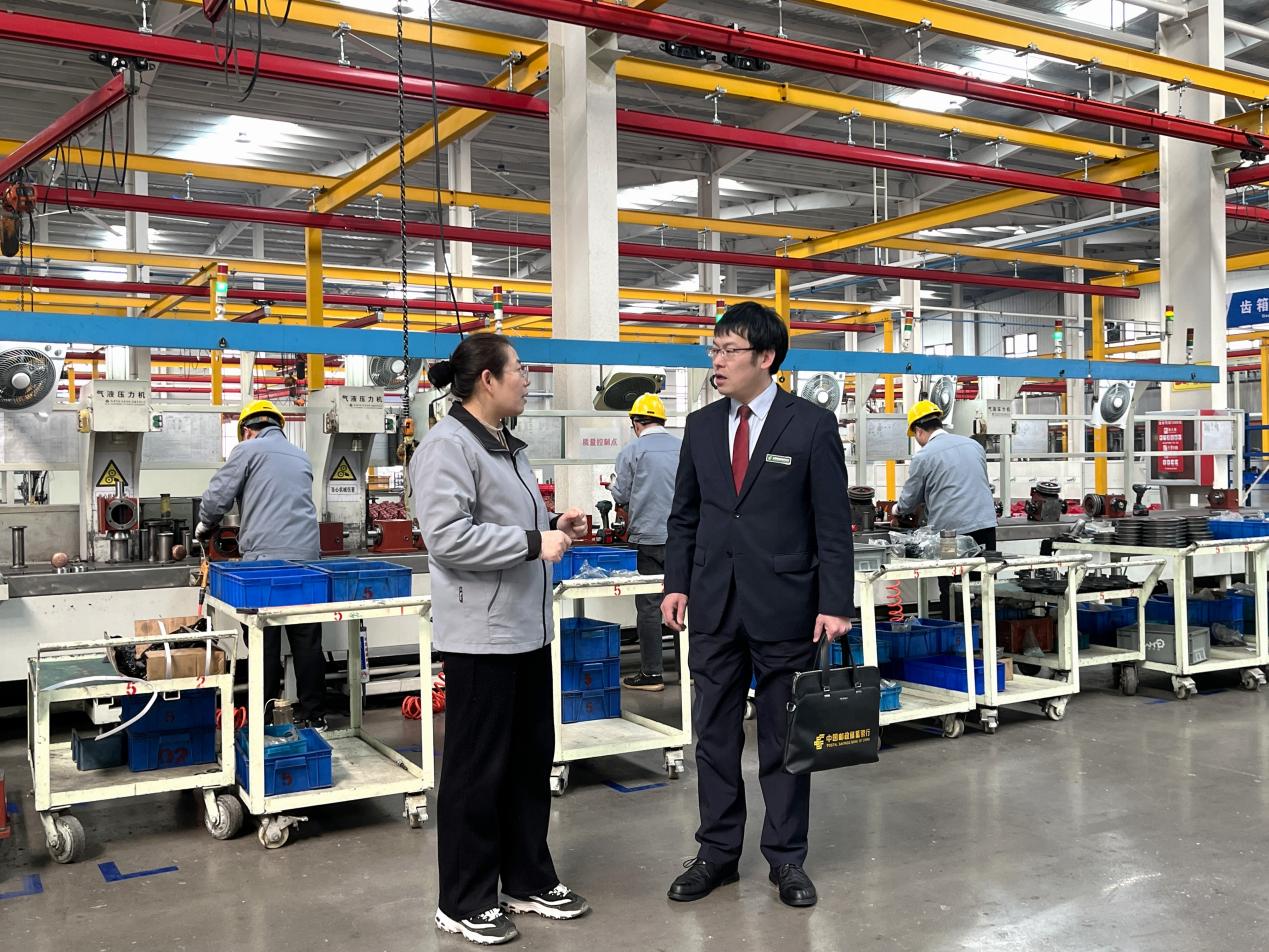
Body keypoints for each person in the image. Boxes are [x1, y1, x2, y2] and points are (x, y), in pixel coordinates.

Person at [662, 301, 855, 910]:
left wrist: (836, 603)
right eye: (713, 349)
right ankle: (717, 854)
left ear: (766, 357)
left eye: (729, 350)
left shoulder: (811, 425)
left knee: (783, 737)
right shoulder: (699, 426)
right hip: (714, 606)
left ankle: (786, 857)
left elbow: (832, 523)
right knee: (714, 737)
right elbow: (685, 515)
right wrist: (676, 583)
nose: (717, 361)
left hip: (786, 604)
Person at [412, 334, 590, 946]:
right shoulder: (447, 446)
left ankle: (526, 877)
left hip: (525, 630)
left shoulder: (505, 445)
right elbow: (447, 537)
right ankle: (462, 899)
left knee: (528, 760)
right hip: (481, 638)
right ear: (487, 379)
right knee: (476, 770)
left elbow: (502, 521)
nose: (527, 379)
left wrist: (552, 524)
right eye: (518, 369)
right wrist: (532, 542)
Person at [195, 400, 327, 730]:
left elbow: (218, 497)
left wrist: (204, 525)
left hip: (264, 563)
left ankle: (263, 716)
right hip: (307, 561)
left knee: (263, 638)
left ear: (247, 430)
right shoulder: (301, 455)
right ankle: (314, 715)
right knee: (307, 638)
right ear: (278, 426)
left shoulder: (247, 450)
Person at [892, 399, 998, 620]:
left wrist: (896, 510)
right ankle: (986, 634)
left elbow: (909, 501)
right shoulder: (974, 446)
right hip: (986, 525)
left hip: (950, 534)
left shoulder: (924, 456)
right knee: (984, 584)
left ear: (919, 431)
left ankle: (957, 633)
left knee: (951, 586)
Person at [610, 392, 682, 692]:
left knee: (650, 607)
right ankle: (690, 670)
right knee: (682, 601)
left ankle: (652, 674)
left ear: (636, 423)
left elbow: (621, 494)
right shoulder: (683, 447)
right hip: (682, 540)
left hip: (647, 540)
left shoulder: (632, 450)